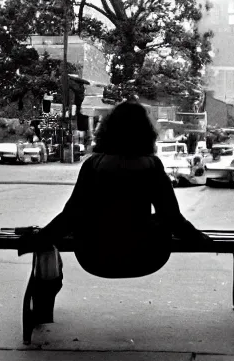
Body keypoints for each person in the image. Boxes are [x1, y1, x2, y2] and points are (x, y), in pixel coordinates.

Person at [18, 100, 210, 322]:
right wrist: (199, 238)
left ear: (107, 131)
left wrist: (39, 238)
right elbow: (172, 217)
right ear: (146, 132)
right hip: (146, 255)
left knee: (61, 237)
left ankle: (42, 306)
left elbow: (71, 216)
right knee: (159, 220)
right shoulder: (152, 166)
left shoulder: (93, 165)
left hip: (95, 255)